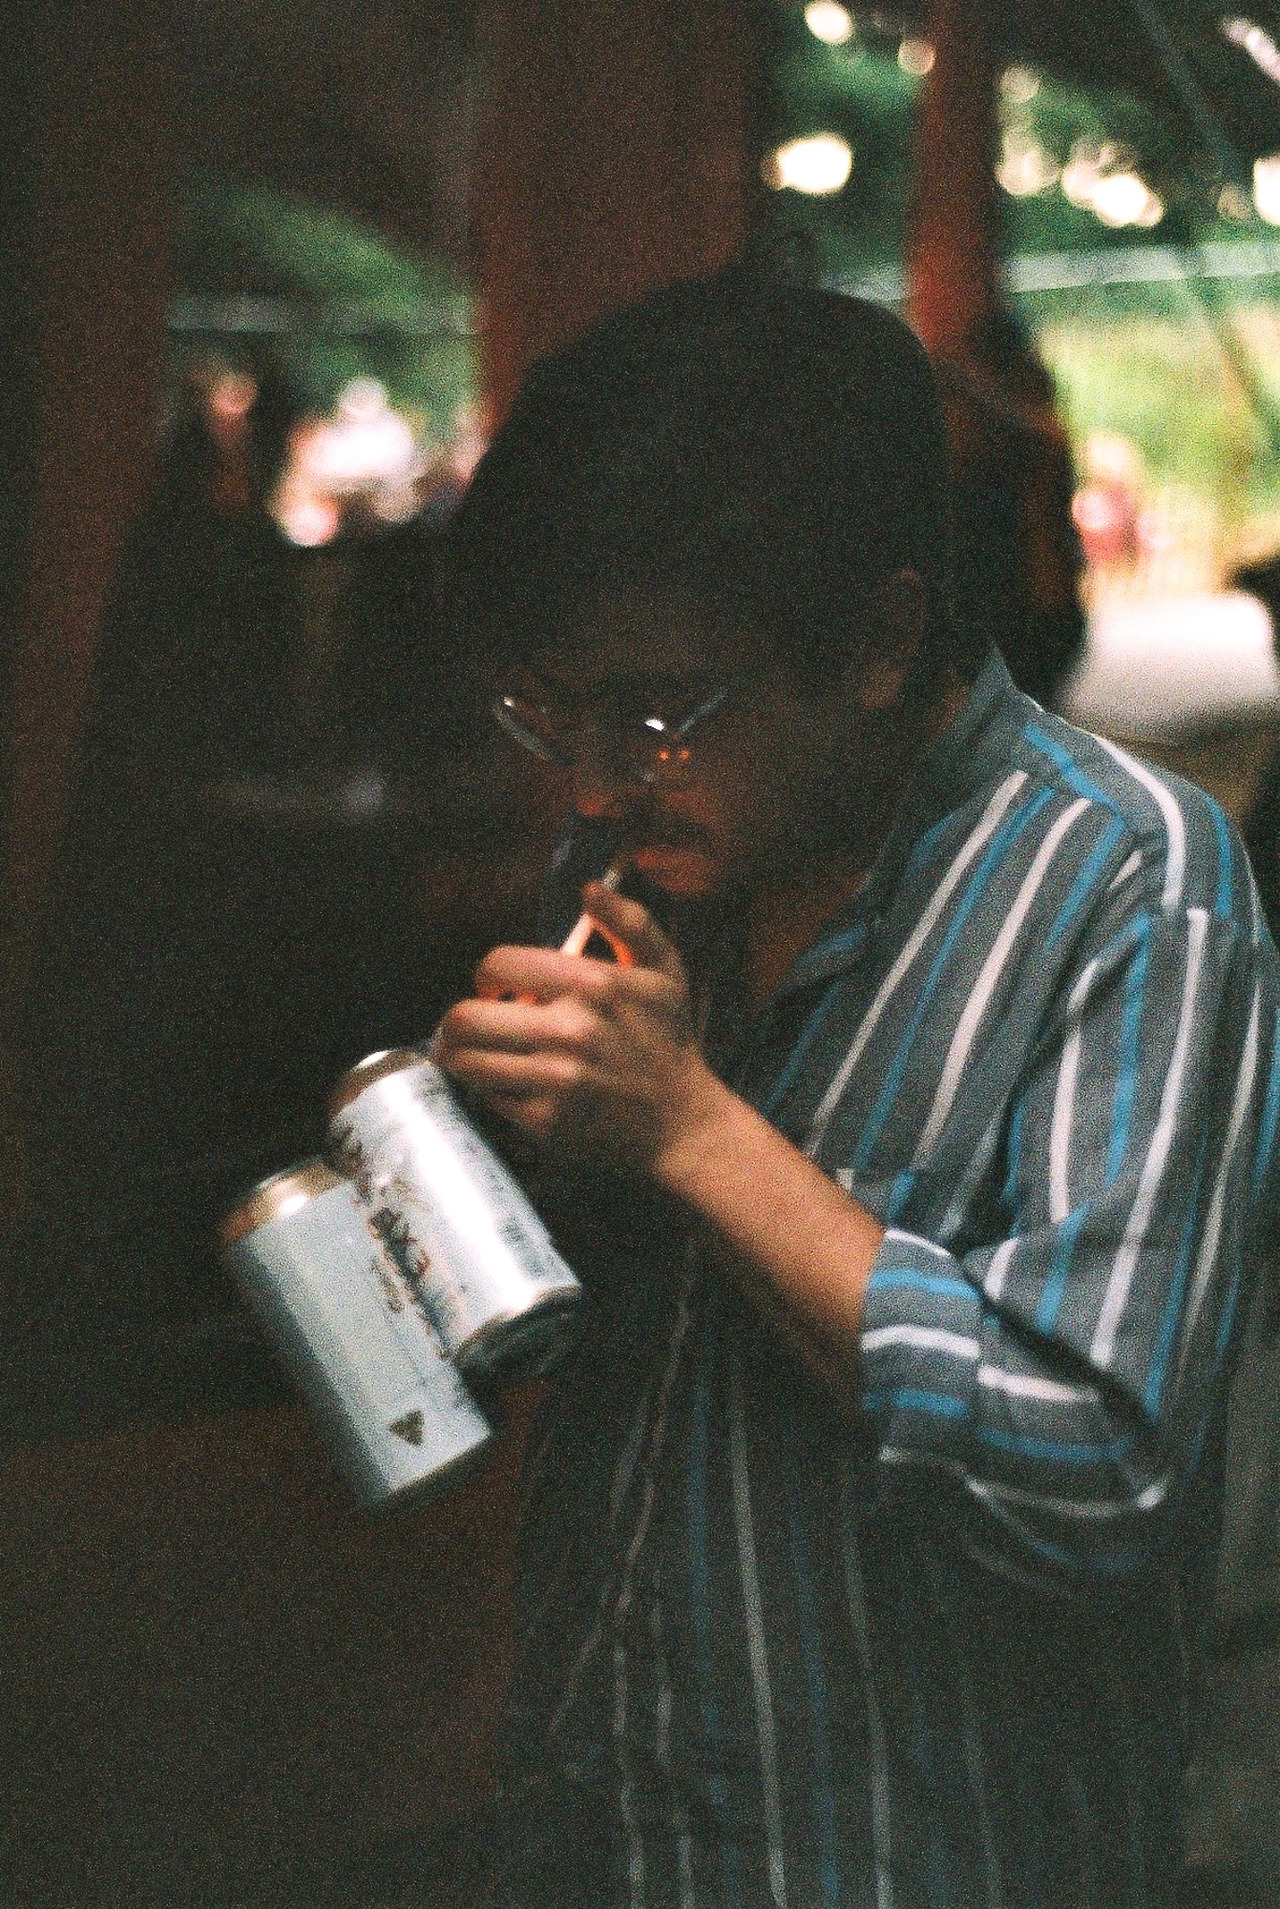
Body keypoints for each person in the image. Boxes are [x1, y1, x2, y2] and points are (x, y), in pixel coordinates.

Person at [436, 263, 1280, 1907]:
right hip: (609, 1819)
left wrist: (690, 1128)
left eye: (663, 710)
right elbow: (625, 1345)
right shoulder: (645, 856)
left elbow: (1098, 1469)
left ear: (885, 638)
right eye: (561, 708)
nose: (600, 777)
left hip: (914, 1855)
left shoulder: (1128, 882)